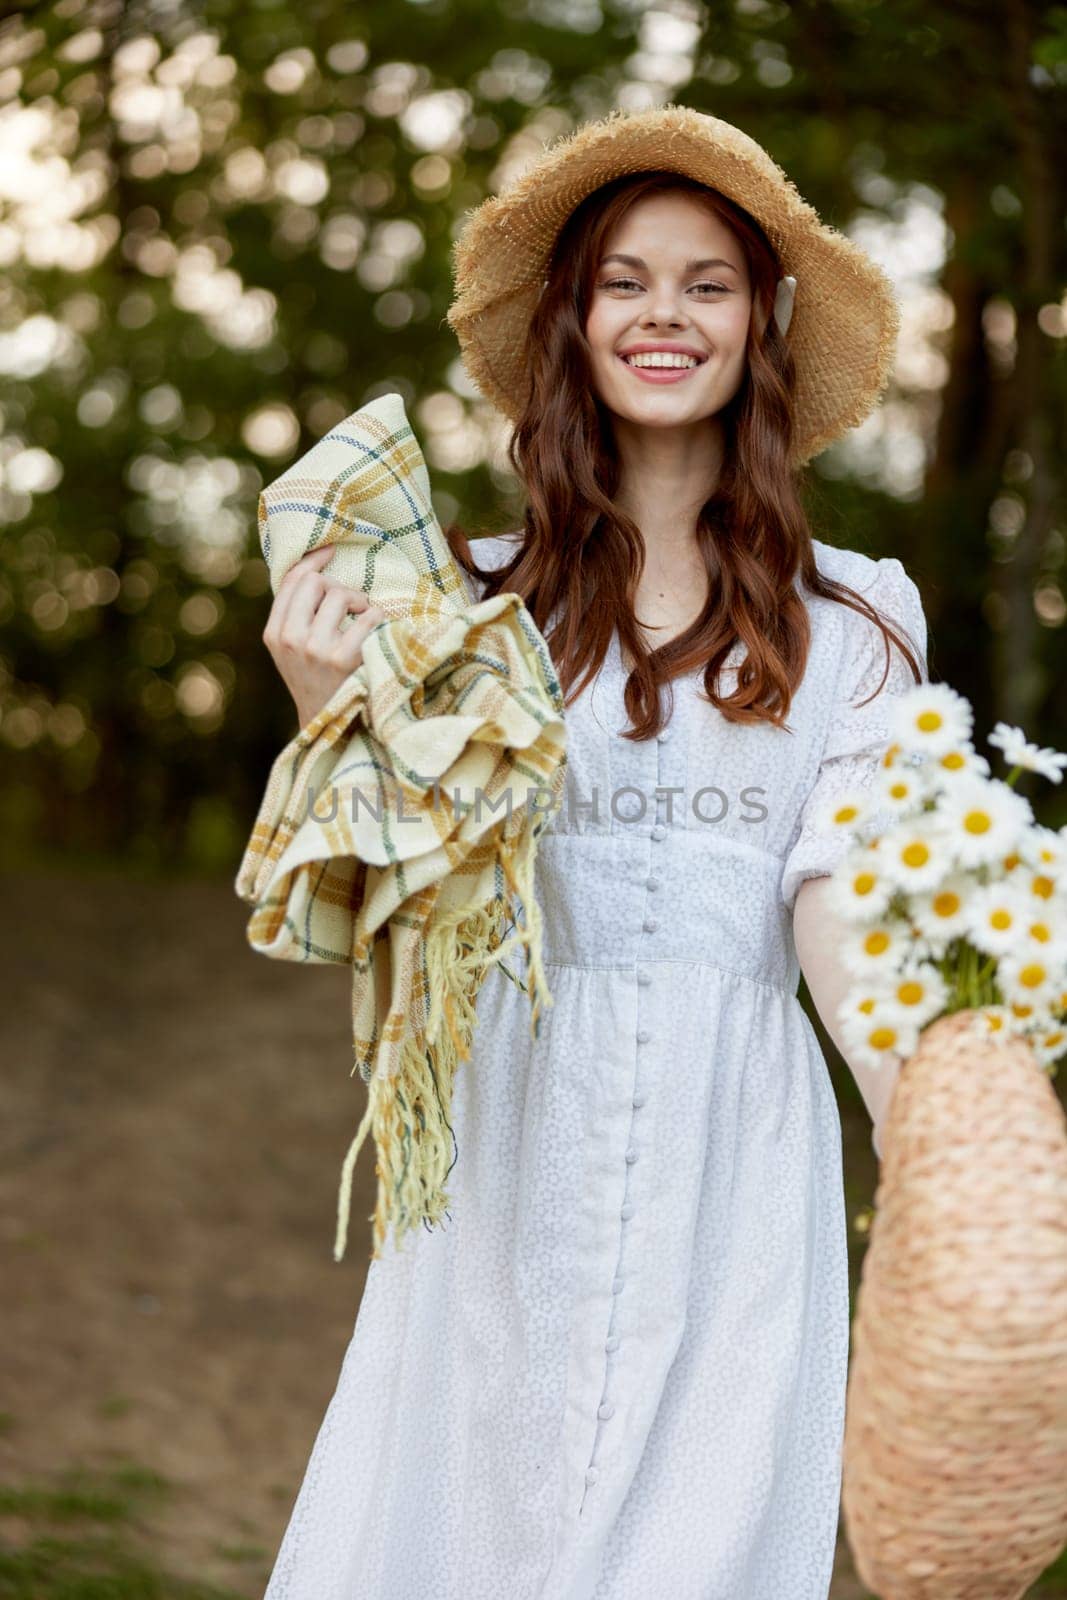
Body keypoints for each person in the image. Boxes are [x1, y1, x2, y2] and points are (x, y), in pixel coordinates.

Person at [259, 105, 927, 1600]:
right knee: (458, 1535)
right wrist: (331, 717)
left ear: (763, 322)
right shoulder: (458, 603)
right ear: (573, 319)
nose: (663, 314)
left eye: (707, 281)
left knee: (698, 1545)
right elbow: (394, 936)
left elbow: (841, 903)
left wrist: (930, 1128)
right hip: (507, 1142)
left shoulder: (859, 621)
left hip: (740, 1162)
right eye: (625, 279)